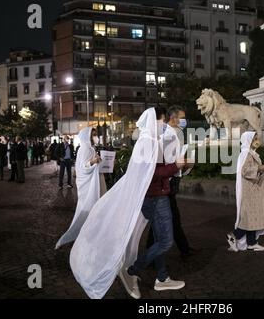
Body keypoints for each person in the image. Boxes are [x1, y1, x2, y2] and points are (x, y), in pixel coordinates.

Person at [70, 107, 187, 299]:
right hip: (156, 197)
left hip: (154, 196)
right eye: (162, 121)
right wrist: (176, 166)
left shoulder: (148, 141)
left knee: (159, 239)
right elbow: (151, 174)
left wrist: (177, 167)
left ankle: (162, 278)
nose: (165, 125)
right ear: (154, 121)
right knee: (166, 241)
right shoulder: (148, 142)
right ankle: (132, 270)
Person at [146, 106, 195, 260]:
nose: (184, 121)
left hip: (169, 181)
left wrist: (184, 165)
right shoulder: (168, 136)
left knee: (170, 218)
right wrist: (182, 164)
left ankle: (184, 249)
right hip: (165, 183)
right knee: (167, 219)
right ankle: (151, 258)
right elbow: (166, 163)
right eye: (182, 117)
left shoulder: (174, 134)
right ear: (173, 118)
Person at [56, 128, 105, 249]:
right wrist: (93, 162)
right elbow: (82, 168)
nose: (95, 137)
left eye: (95, 134)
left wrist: (98, 161)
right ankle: (87, 235)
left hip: (95, 182)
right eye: (93, 135)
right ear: (86, 137)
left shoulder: (91, 148)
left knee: (96, 208)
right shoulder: (84, 149)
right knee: (88, 209)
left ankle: (93, 233)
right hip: (88, 186)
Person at [227, 132, 264, 252]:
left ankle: (251, 243)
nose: (257, 140)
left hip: (254, 189)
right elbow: (245, 171)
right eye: (254, 138)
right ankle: (234, 236)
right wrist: (259, 168)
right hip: (250, 190)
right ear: (248, 140)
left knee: (252, 217)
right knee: (248, 217)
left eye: (257, 138)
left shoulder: (252, 153)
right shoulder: (246, 154)